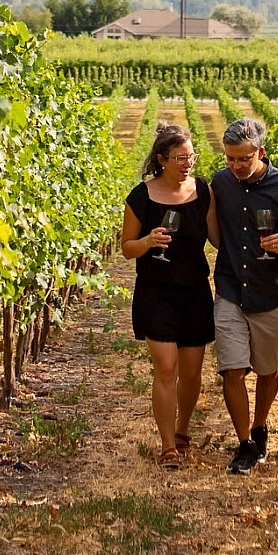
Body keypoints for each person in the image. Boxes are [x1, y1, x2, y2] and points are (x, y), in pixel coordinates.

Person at [209, 118, 278, 475]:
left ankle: (260, 425)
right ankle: (245, 444)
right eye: (230, 159)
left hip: (271, 292)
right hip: (230, 288)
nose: (236, 166)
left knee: (267, 370)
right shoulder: (220, 183)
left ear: (260, 152)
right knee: (232, 370)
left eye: (243, 159)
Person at [118, 123, 215, 469]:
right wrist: (147, 242)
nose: (187, 163)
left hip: (195, 292)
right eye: (180, 158)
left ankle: (183, 430)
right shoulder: (141, 197)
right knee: (167, 369)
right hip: (155, 292)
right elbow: (127, 248)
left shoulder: (203, 191)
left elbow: (216, 238)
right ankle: (167, 445)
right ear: (161, 160)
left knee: (191, 373)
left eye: (191, 156)